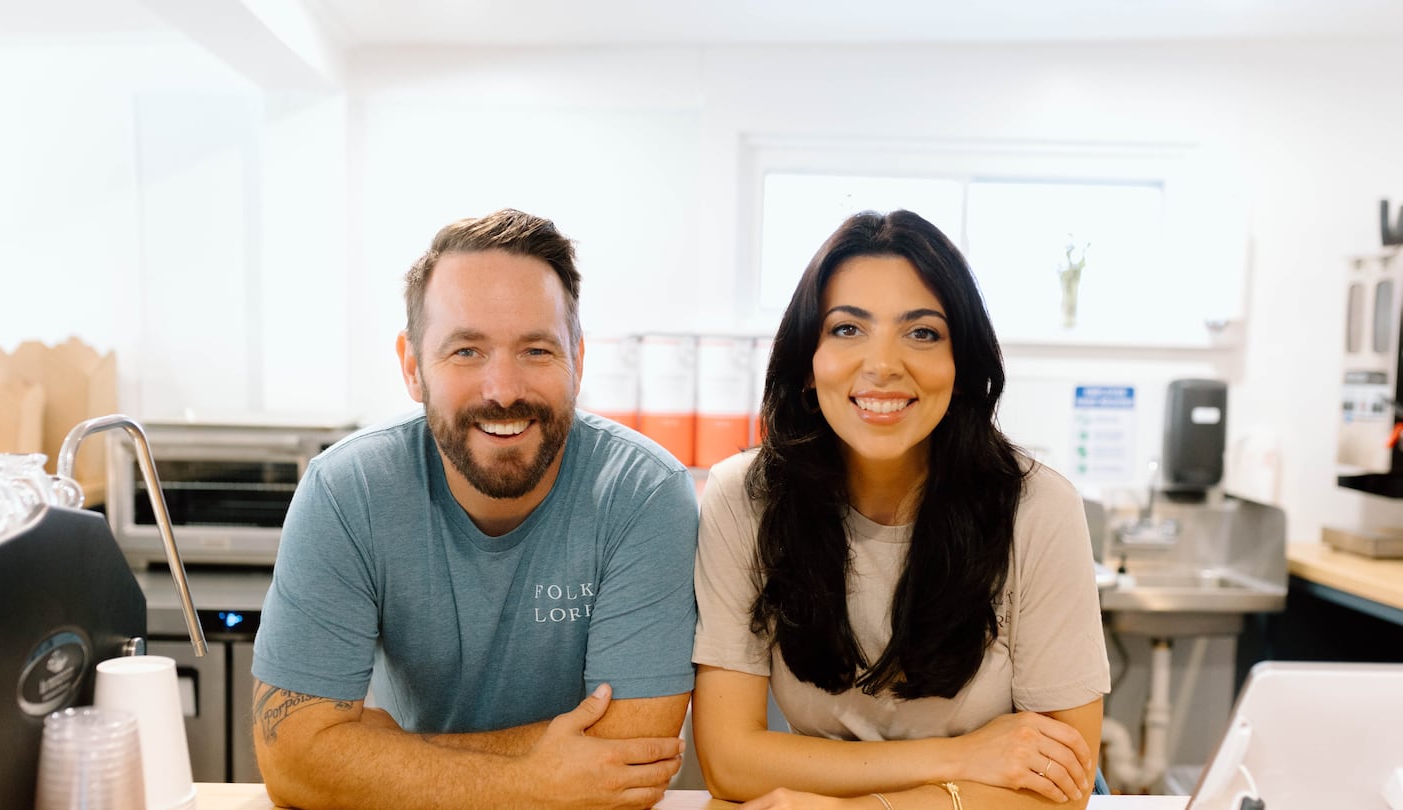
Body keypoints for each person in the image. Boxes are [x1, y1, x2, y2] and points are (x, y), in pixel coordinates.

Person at [251, 209, 699, 810]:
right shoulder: (347, 488)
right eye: (466, 351)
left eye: (537, 350)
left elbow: (630, 758)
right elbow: (293, 762)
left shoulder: (642, 493)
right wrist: (532, 782)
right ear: (412, 366)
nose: (503, 389)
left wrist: (372, 753)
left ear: (579, 361)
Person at [691, 210, 1110, 809]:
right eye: (846, 329)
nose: (883, 364)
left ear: (960, 366)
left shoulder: (1038, 508)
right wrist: (961, 758)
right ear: (808, 364)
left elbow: (1060, 785)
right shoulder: (745, 498)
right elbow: (731, 762)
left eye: (921, 333)